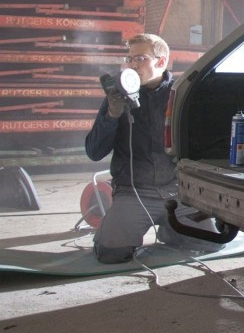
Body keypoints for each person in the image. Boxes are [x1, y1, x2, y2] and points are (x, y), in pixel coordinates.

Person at [85, 33, 223, 263]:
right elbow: (94, 152)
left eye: (140, 58)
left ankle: (171, 229)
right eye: (129, 59)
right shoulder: (117, 98)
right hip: (134, 193)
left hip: (178, 193)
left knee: (212, 242)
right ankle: (137, 229)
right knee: (112, 253)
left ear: (161, 61)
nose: (132, 65)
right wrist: (111, 115)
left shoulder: (182, 95)